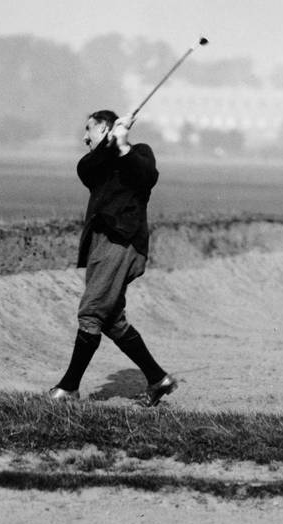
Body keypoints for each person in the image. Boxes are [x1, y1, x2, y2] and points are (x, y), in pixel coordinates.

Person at [47, 110, 178, 406]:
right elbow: (88, 169)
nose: (84, 138)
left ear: (104, 128)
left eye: (89, 130)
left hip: (122, 242)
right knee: (111, 320)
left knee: (92, 312)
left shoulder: (140, 153)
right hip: (101, 245)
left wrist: (123, 145)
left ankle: (68, 388)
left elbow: (146, 177)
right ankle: (158, 379)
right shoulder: (93, 163)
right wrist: (112, 144)